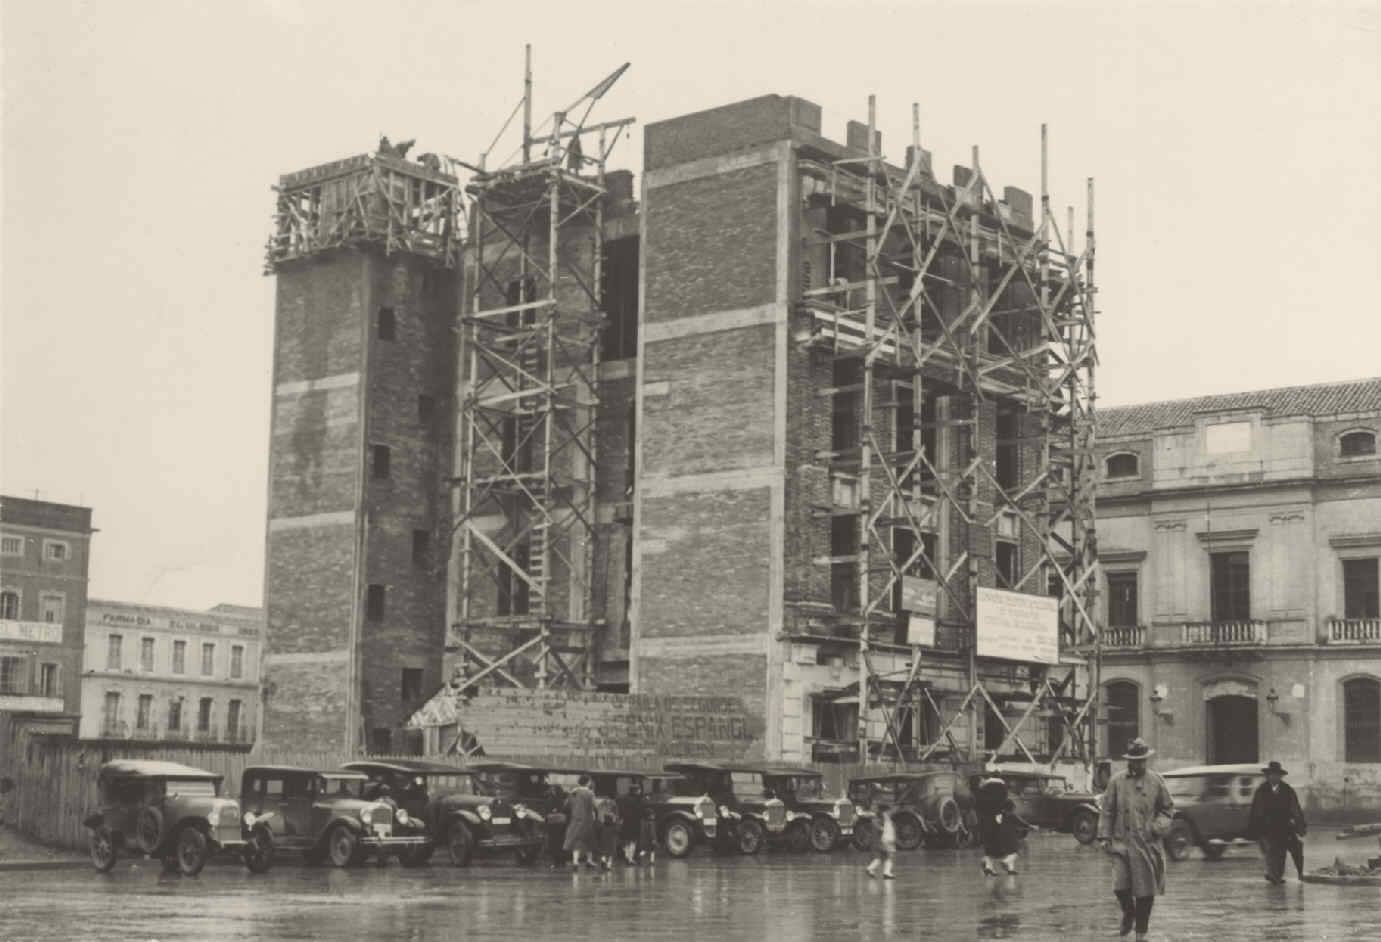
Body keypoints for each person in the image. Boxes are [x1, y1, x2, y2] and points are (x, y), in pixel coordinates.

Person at [1097, 738, 1173, 942]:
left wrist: (1156, 827)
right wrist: (1104, 836)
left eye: (1142, 760)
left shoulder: (1156, 781)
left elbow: (1167, 809)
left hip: (1147, 845)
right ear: (1129, 760)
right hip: (1121, 843)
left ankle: (1141, 934)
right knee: (1120, 887)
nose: (1139, 764)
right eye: (1135, 760)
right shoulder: (1116, 781)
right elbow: (1107, 810)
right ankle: (1128, 913)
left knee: (1145, 893)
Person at [1247, 760, 1307, 884]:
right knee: (1273, 851)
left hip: (1285, 826)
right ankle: (1274, 876)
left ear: (1280, 776)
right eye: (1271, 775)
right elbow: (1256, 810)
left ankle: (1300, 873)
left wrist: (1300, 826)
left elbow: (1295, 808)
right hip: (1267, 827)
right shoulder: (1262, 791)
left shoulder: (1287, 790)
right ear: (1267, 776)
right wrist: (1256, 829)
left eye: (1277, 775)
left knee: (1296, 848)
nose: (1274, 777)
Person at [564, 775, 600, 869]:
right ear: (588, 782)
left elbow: (566, 805)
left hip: (575, 819)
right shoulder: (589, 793)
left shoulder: (573, 792)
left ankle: (575, 861)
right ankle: (589, 860)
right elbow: (595, 806)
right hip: (587, 819)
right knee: (589, 840)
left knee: (576, 840)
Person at [865, 805, 897, 880]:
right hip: (887, 839)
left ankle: (871, 868)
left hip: (883, 839)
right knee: (890, 856)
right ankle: (886, 872)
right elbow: (883, 829)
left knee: (882, 857)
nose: (891, 812)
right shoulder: (885, 817)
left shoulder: (880, 818)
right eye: (889, 810)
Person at [617, 782, 646, 864]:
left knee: (626, 840)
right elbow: (641, 811)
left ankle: (626, 855)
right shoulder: (638, 800)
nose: (640, 791)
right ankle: (630, 859)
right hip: (635, 822)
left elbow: (621, 810)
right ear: (636, 791)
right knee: (633, 841)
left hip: (625, 822)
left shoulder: (624, 799)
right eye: (639, 790)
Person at [545, 785, 569, 870]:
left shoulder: (550, 799)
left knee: (554, 843)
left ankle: (556, 862)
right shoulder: (564, 800)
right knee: (561, 842)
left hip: (553, 824)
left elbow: (547, 811)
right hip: (562, 824)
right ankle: (562, 861)